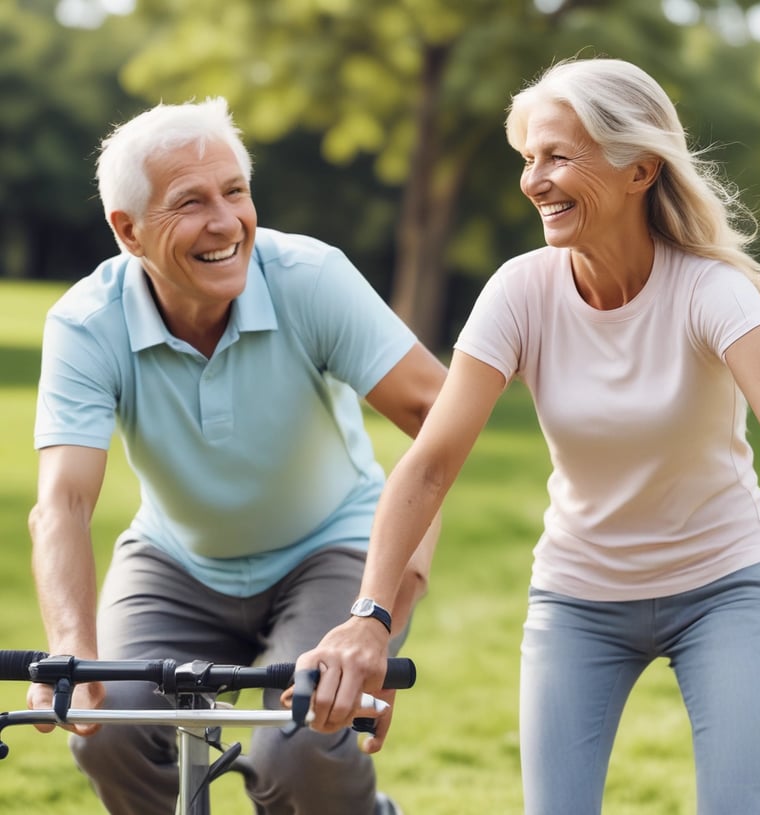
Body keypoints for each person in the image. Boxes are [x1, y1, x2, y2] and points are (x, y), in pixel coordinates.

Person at [296, 56, 760, 814]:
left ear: (640, 169)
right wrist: (370, 616)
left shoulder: (712, 292)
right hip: (580, 595)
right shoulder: (521, 291)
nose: (534, 181)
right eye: (529, 158)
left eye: (558, 157)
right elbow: (430, 463)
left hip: (724, 584)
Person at [26, 96, 447, 815]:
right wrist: (72, 649)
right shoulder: (87, 323)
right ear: (127, 229)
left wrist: (382, 615)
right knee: (108, 730)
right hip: (177, 561)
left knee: (300, 747)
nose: (225, 222)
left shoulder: (308, 277)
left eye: (235, 192)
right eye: (190, 202)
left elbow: (440, 421)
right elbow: (63, 502)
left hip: (331, 545)